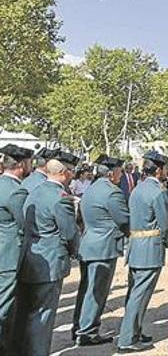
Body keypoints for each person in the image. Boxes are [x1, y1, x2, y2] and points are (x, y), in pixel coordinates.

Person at [15, 152, 80, 356]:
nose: (73, 175)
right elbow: (70, 232)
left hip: (29, 257)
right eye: (71, 171)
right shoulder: (61, 198)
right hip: (50, 262)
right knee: (43, 316)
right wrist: (74, 253)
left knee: (27, 312)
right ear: (63, 173)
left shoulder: (33, 190)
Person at [117, 150, 168, 353]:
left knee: (134, 293)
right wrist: (166, 242)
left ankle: (135, 331)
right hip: (150, 247)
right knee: (139, 296)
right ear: (158, 170)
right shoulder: (158, 192)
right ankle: (126, 338)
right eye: (164, 168)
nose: (166, 171)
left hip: (135, 246)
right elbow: (165, 224)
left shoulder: (137, 189)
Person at [72, 154, 130, 346]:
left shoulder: (91, 189)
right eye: (120, 171)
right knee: (97, 291)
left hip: (88, 243)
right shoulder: (112, 192)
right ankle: (87, 331)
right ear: (112, 173)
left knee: (86, 289)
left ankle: (79, 327)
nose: (121, 175)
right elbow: (123, 219)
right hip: (103, 247)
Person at [0, 144, 33, 353]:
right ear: (21, 165)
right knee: (4, 308)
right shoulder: (16, 191)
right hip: (9, 257)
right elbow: (25, 225)